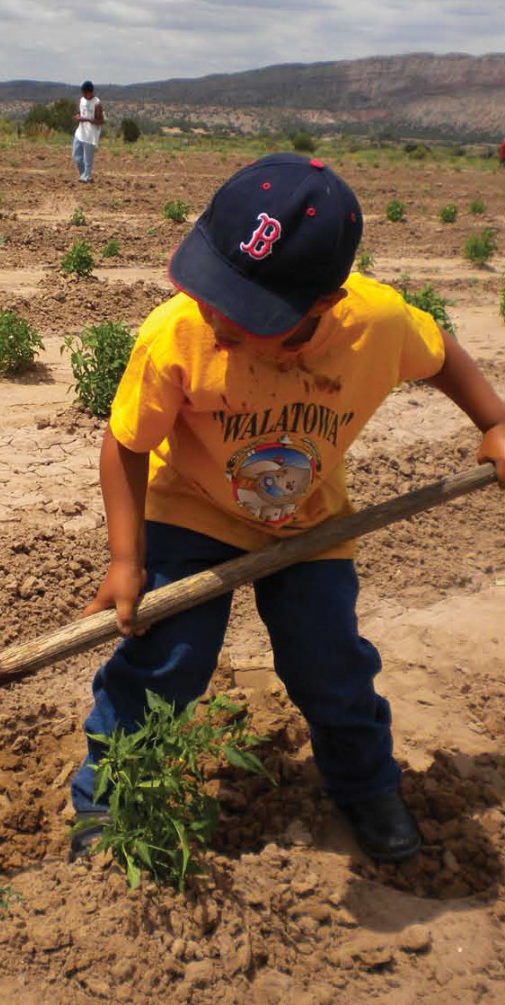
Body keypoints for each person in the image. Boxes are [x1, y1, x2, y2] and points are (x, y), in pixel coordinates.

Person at [70, 152, 505, 864]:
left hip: (311, 522)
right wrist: (126, 560)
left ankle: (365, 786)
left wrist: (491, 420)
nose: (216, 318)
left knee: (329, 663)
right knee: (165, 661)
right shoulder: (177, 335)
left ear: (320, 307)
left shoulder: (375, 322)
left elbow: (439, 352)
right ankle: (106, 799)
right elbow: (123, 446)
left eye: (244, 314)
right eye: (210, 291)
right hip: (192, 512)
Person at [72, 81, 104, 183]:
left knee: (88, 159)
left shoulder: (97, 103)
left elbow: (100, 121)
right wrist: (77, 117)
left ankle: (87, 176)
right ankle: (83, 175)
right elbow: (79, 112)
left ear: (91, 92)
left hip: (90, 135)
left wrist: (86, 119)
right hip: (80, 132)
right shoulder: (81, 100)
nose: (84, 95)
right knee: (76, 155)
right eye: (83, 93)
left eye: (86, 93)